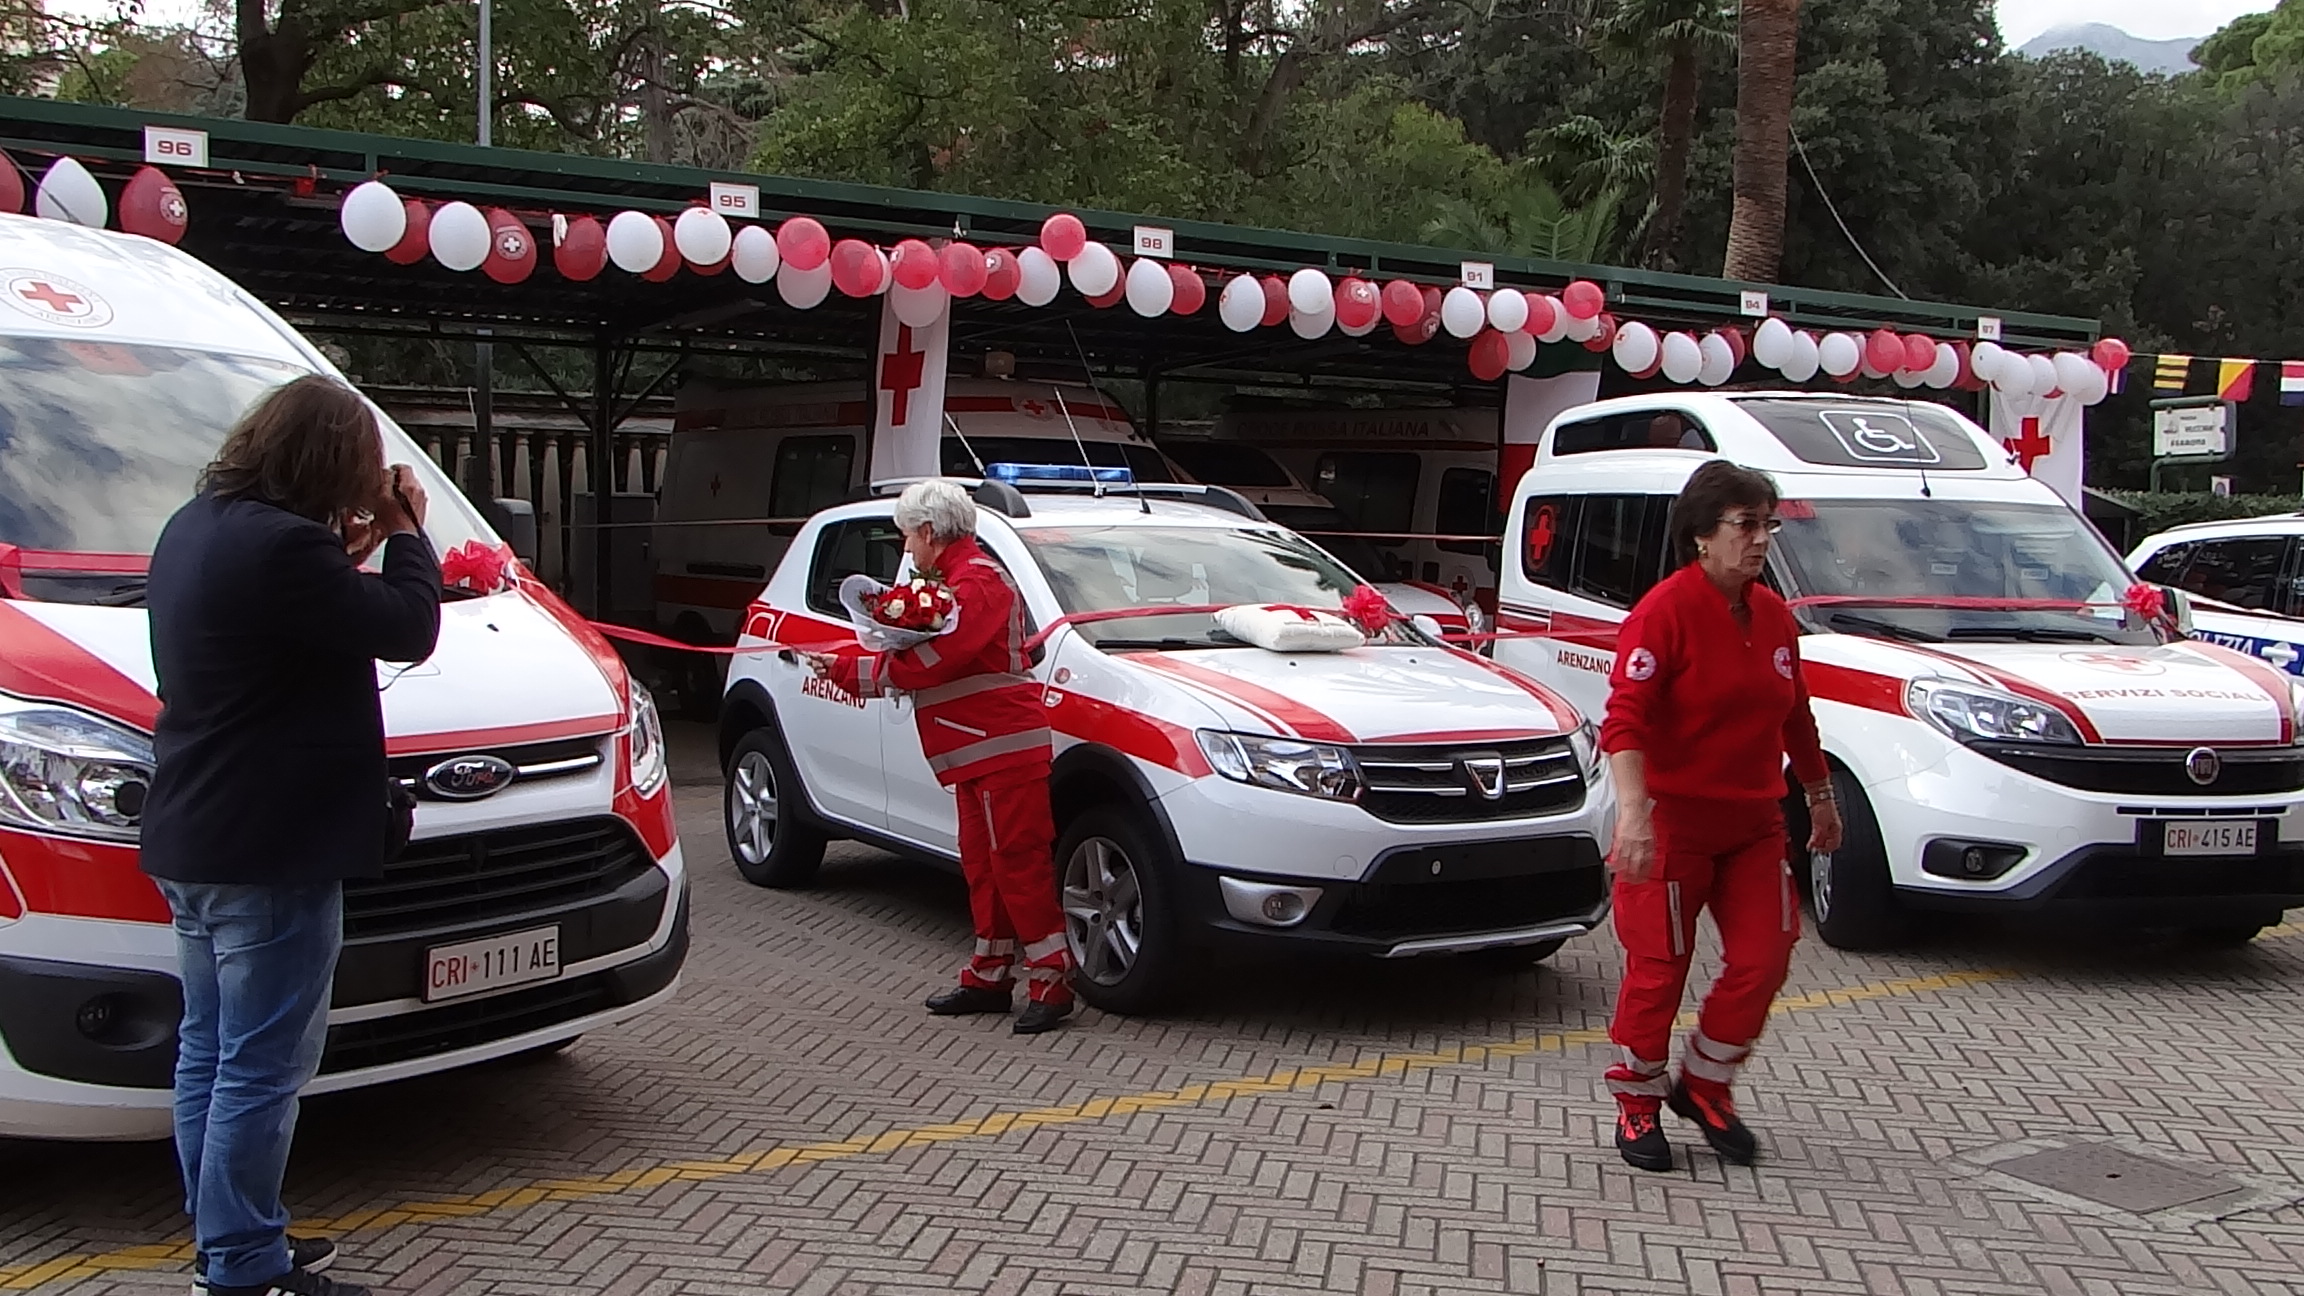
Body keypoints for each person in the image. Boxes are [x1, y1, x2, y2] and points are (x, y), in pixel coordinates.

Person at [142, 376, 442, 1296]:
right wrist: (405, 536)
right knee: (262, 1068)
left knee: (210, 1051)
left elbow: (287, 627)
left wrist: (339, 550)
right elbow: (408, 628)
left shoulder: (197, 526)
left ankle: (228, 1238)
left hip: (196, 832)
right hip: (271, 849)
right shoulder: (281, 547)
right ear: (330, 462)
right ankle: (240, 1268)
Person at [1598, 459, 1843, 1172]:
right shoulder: (1665, 612)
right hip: (1673, 822)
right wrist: (1635, 815)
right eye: (1746, 525)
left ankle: (1704, 1084)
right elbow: (1626, 722)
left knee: (1766, 958)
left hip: (1753, 822)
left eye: (1768, 524)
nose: (1762, 539)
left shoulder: (1772, 616)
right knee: (1659, 970)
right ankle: (1639, 1102)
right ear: (1702, 536)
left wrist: (1821, 798)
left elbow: (1795, 713)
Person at [803, 479, 1075, 1034]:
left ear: (929, 532)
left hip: (1000, 747)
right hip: (977, 749)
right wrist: (848, 658)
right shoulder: (957, 582)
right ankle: (990, 974)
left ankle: (1051, 978)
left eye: (907, 537)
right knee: (983, 864)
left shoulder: (978, 583)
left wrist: (852, 670)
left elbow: (938, 661)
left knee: (1017, 862)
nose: (906, 549)